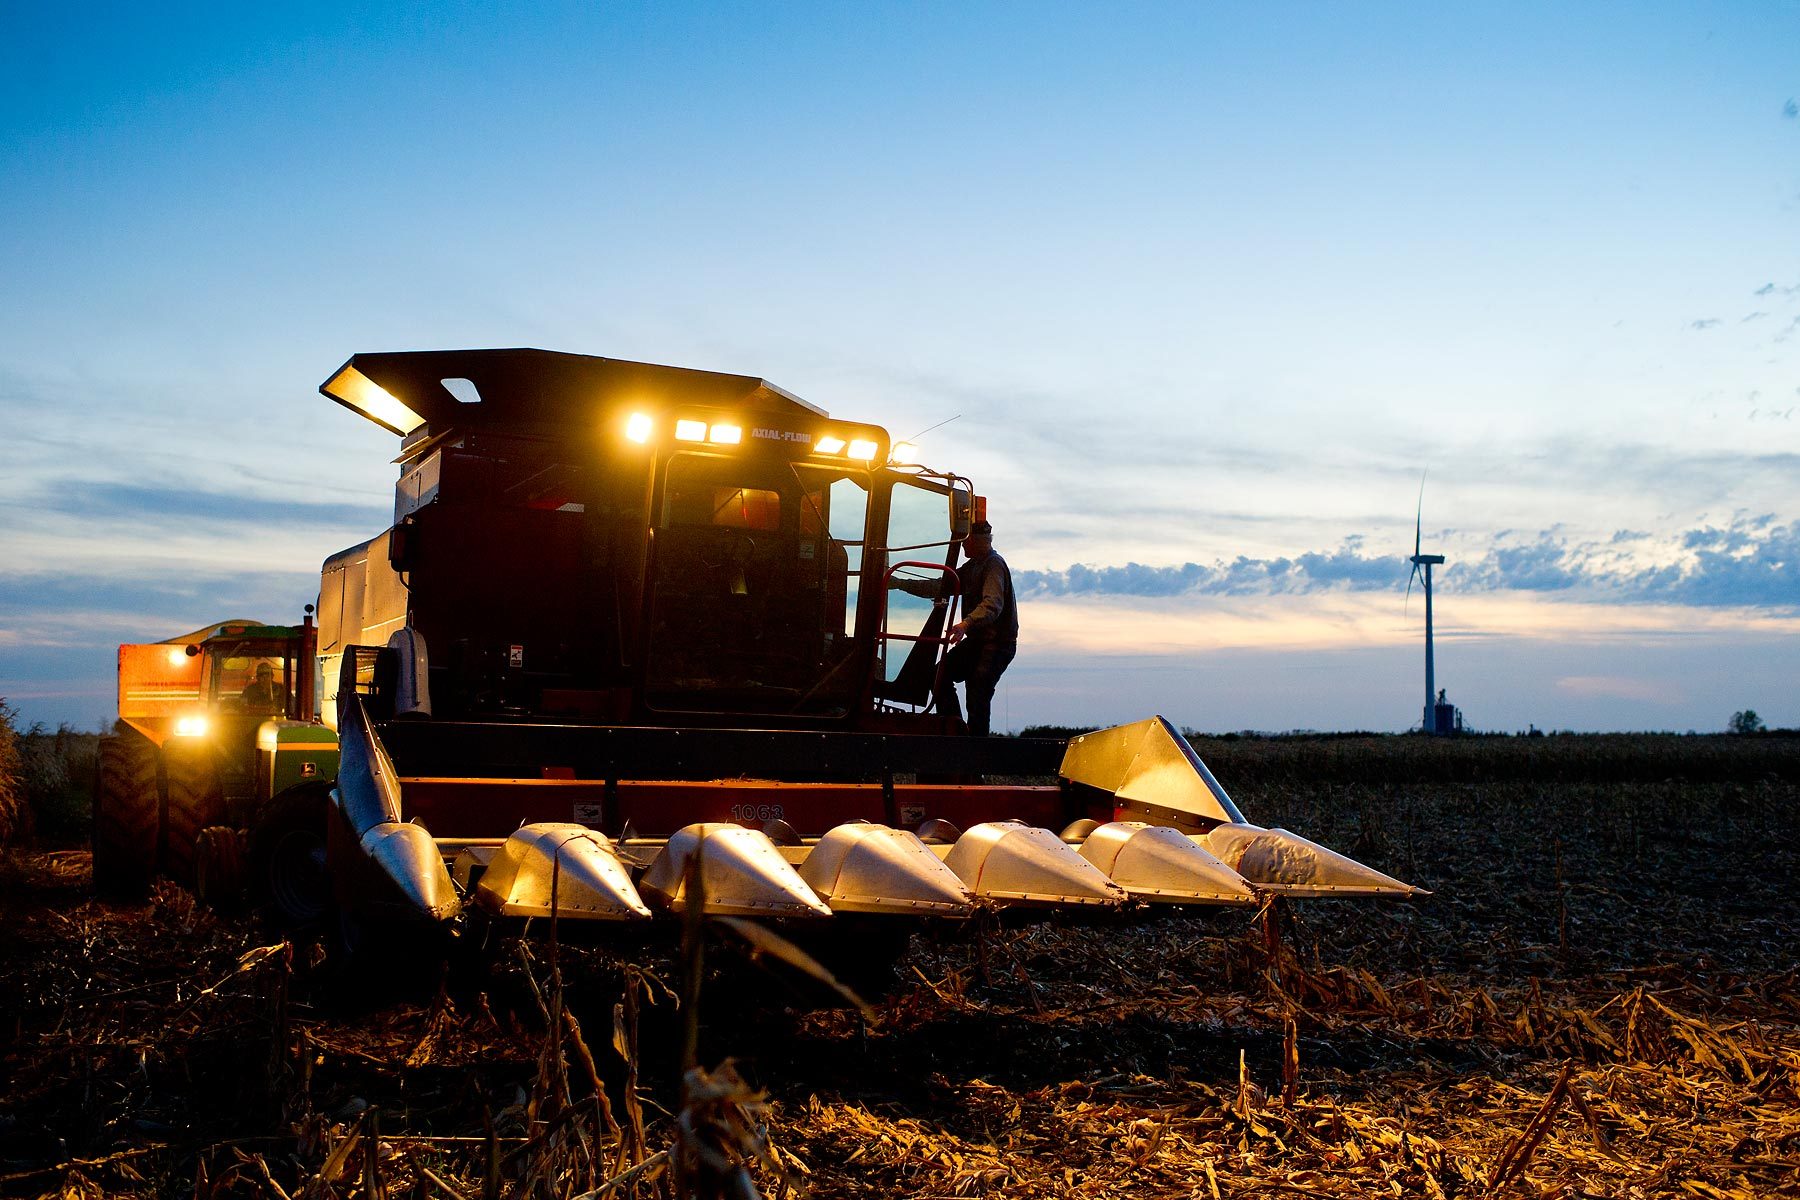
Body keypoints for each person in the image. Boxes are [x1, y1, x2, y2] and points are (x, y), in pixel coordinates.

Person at [944, 520, 1017, 737]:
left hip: (996, 644)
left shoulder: (993, 565)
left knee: (977, 693)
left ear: (976, 541)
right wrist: (899, 582)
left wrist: (965, 624)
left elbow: (992, 605)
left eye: (965, 542)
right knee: (938, 675)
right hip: (978, 642)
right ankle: (955, 731)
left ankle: (975, 757)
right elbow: (943, 585)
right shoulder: (972, 567)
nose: (963, 546)